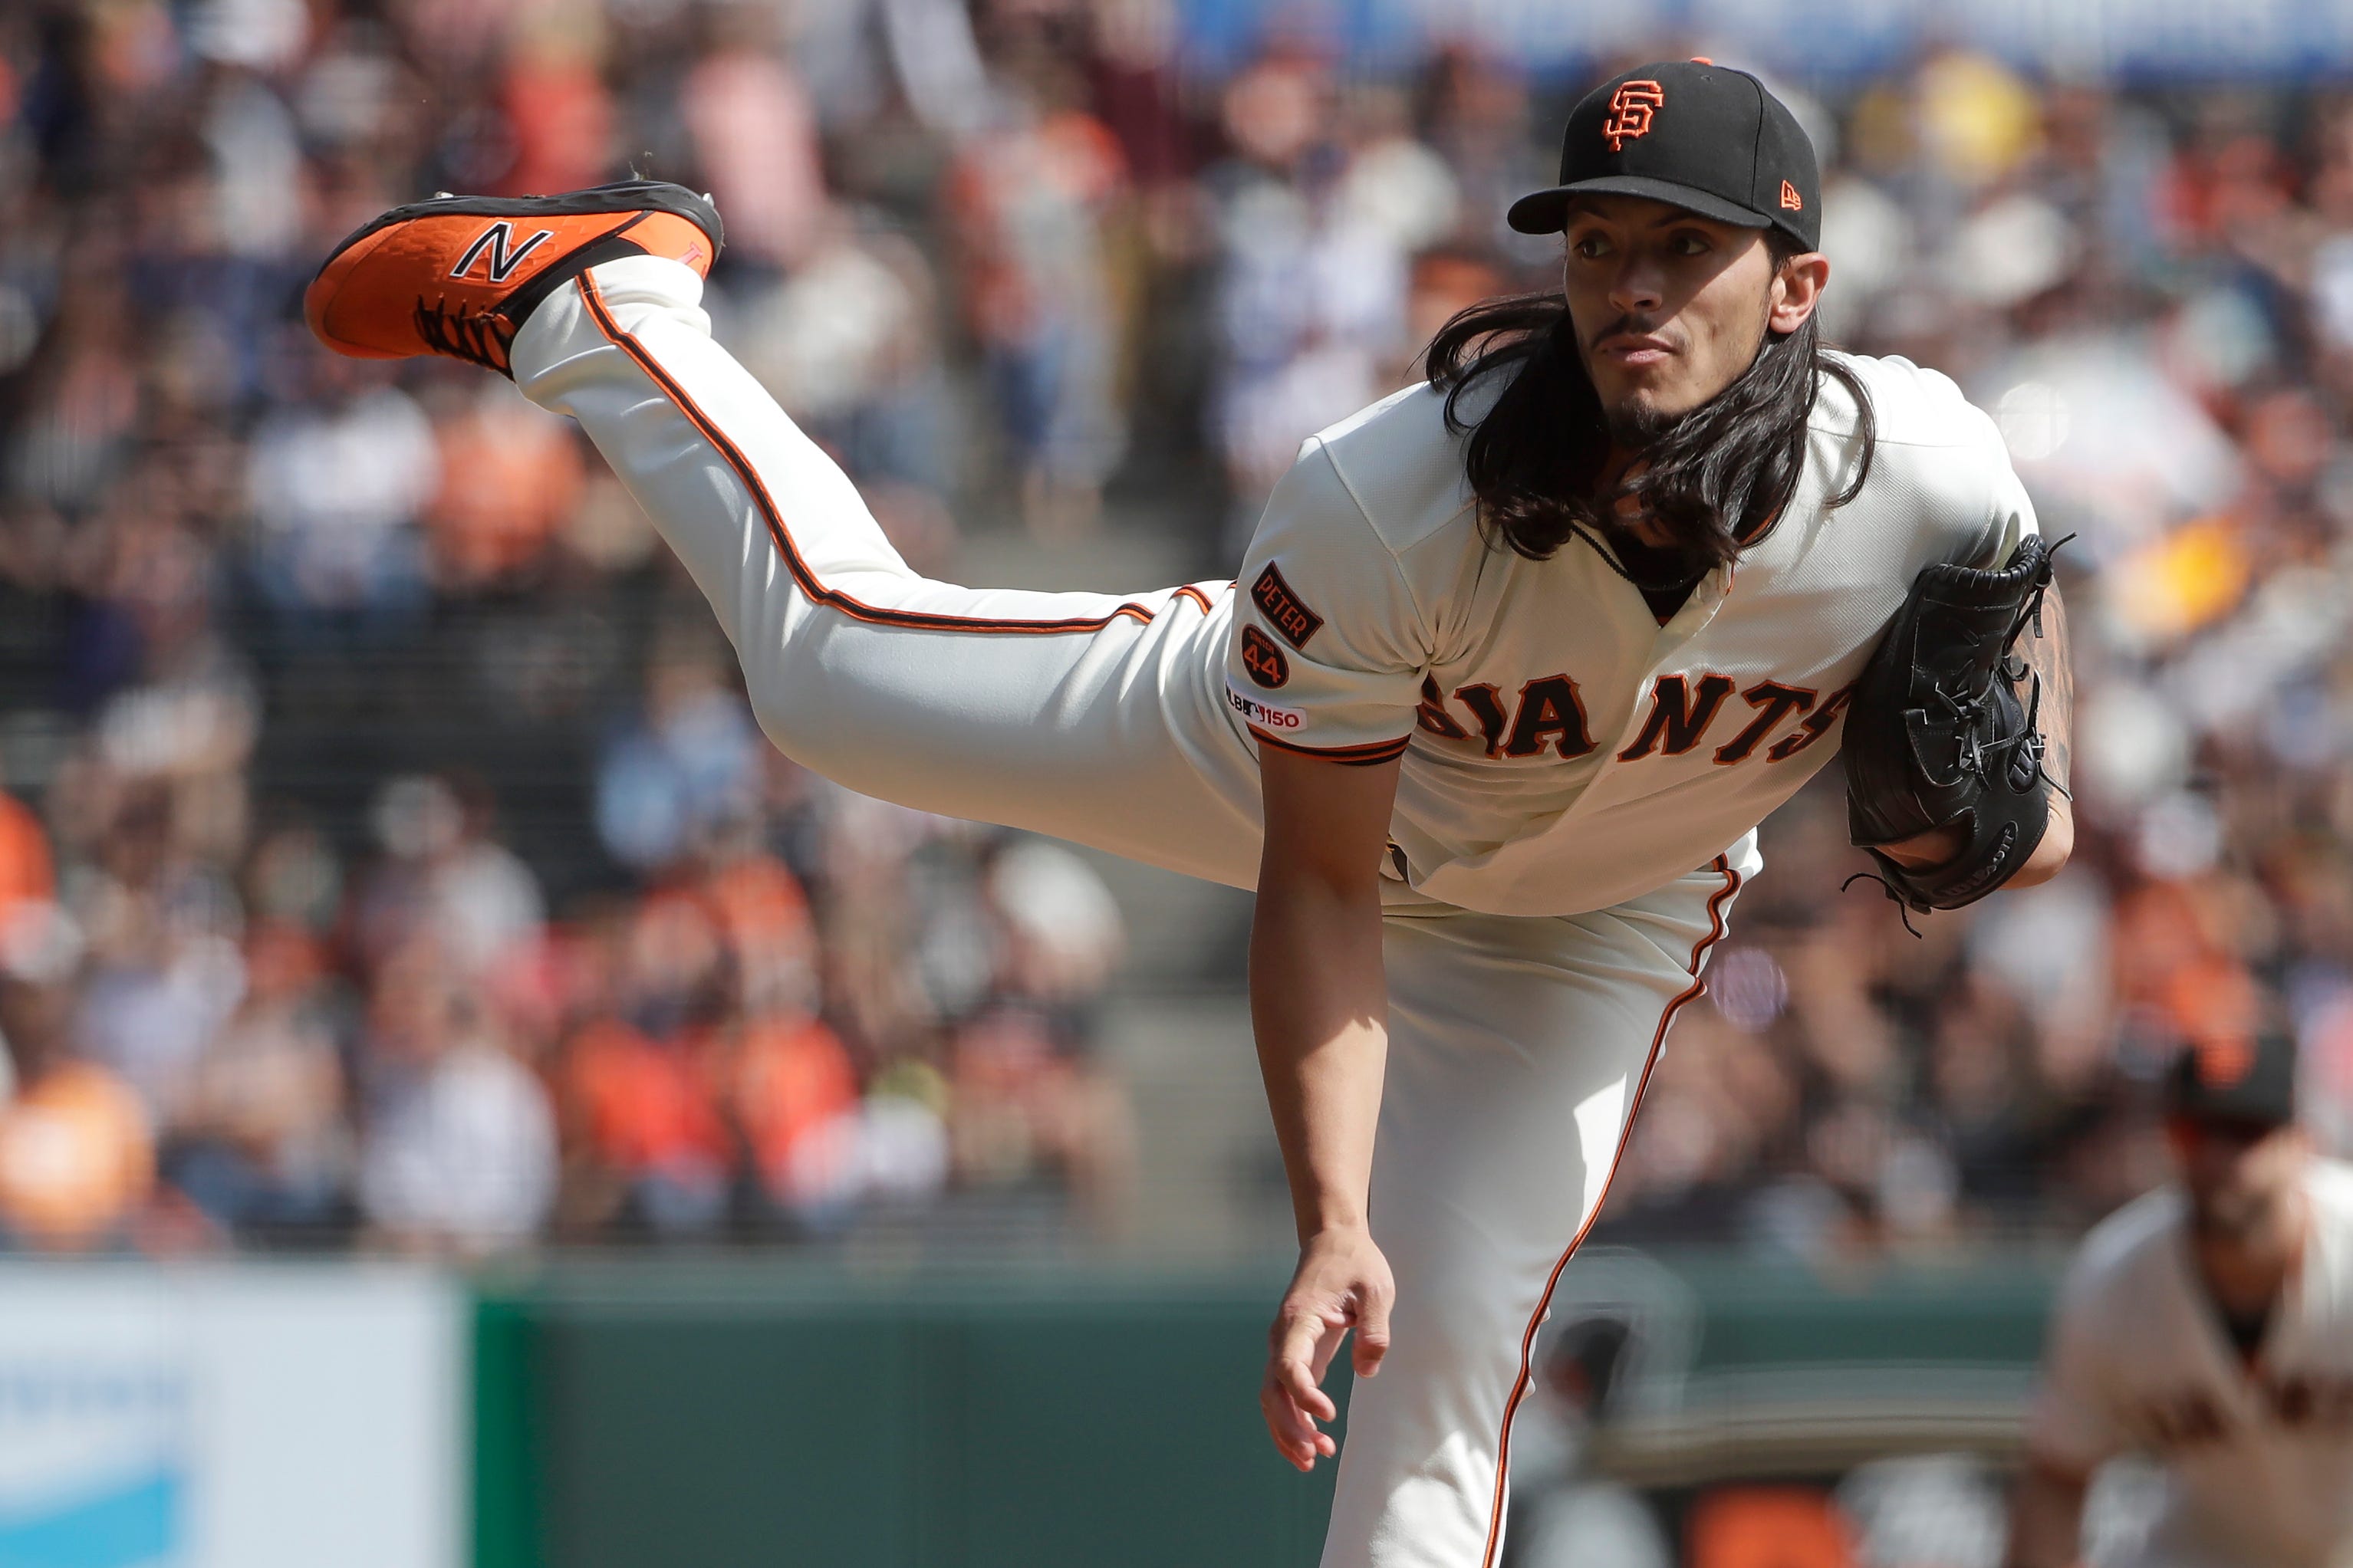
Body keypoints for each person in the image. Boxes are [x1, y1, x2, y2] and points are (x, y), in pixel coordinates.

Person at [304, 60, 2075, 1568]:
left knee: (1452, 1354)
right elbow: (1316, 889)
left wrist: (2023, 804)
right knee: (829, 679)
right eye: (1598, 241)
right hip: (1288, 782)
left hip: (1596, 921)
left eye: (1684, 247)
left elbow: (2024, 668)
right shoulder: (1395, 496)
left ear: (1794, 284)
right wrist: (1330, 1215)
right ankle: (606, 303)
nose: (1629, 284)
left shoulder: (1919, 472)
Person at [2007, 1033, 2353, 1568]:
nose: (2219, 1156)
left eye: (2246, 1131)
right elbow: (2058, 1472)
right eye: (2197, 1131)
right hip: (2204, 1551)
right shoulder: (2114, 1277)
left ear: (2301, 1142)